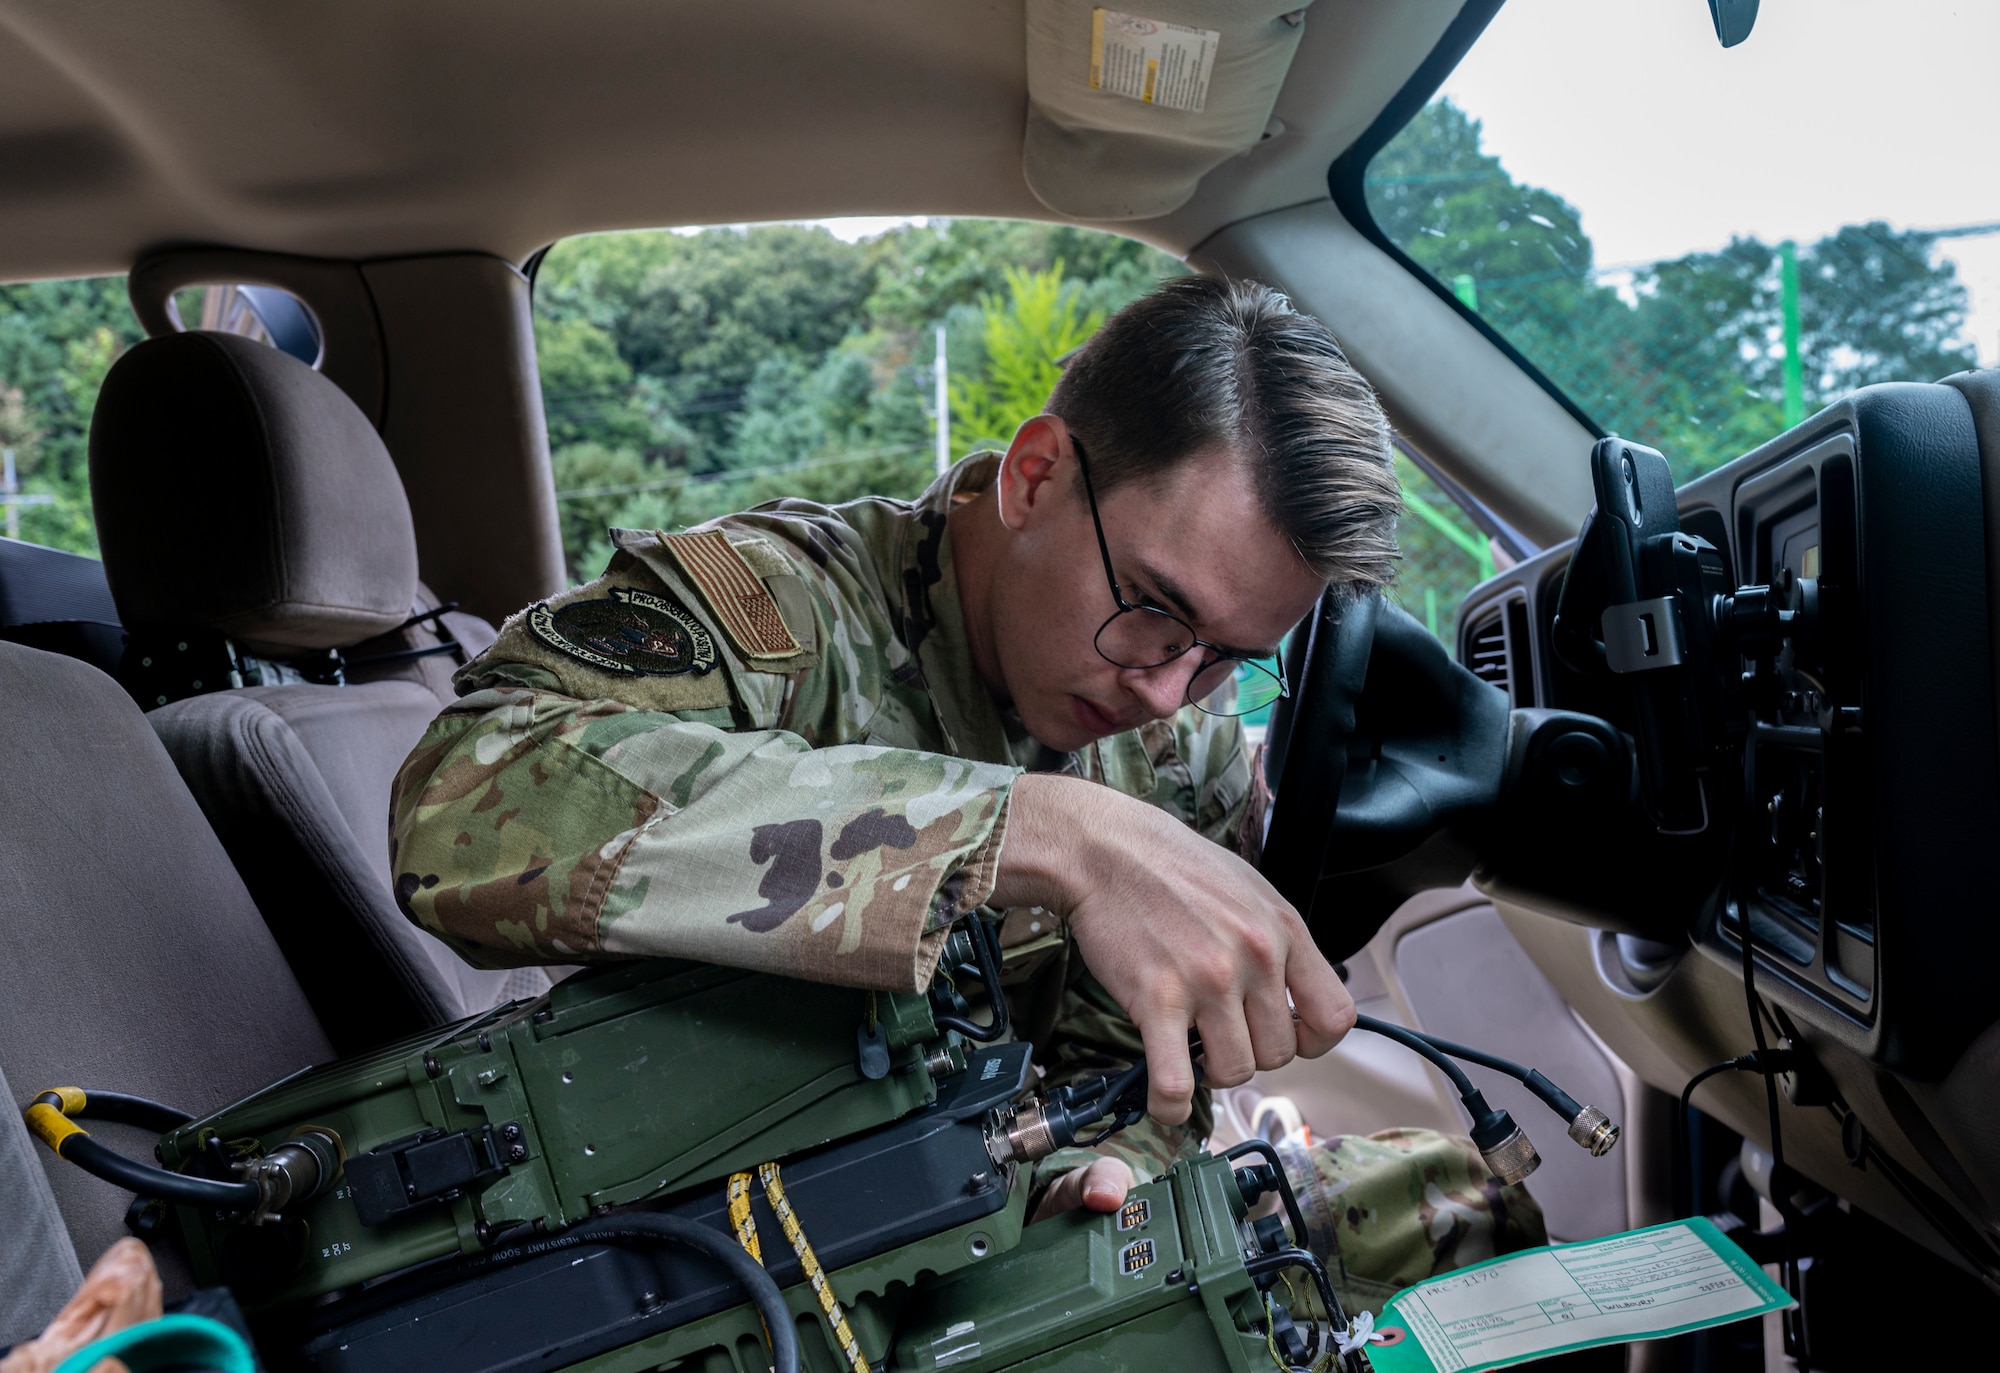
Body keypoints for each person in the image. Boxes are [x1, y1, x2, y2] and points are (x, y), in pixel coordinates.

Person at [389, 276, 1544, 1314]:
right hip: (700, 1257)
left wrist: (1107, 1171)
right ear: (1033, 475)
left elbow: (1130, 1072)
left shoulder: (1178, 739)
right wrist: (1026, 828)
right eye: (1151, 603)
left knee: (1457, 1204)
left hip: (971, 1226)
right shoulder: (783, 620)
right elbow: (460, 798)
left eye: (1224, 655)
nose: (1163, 687)